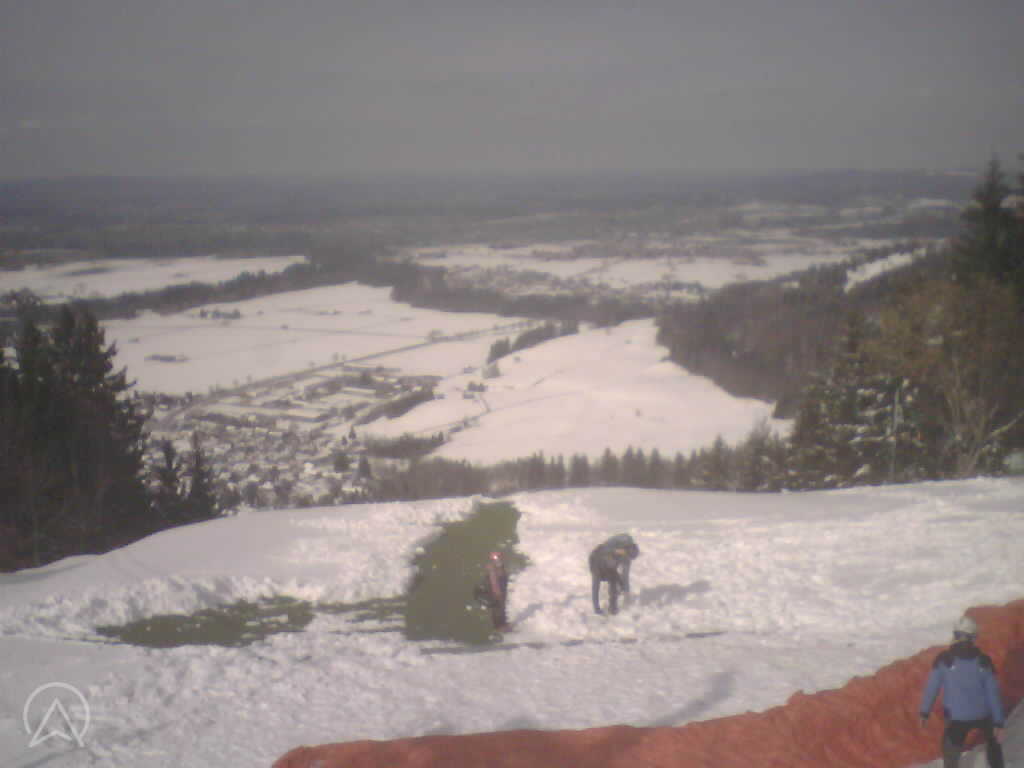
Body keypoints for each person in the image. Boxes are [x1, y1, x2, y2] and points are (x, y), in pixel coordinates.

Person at [919, 614, 1006, 768]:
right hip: (983, 715)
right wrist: (998, 722)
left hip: (955, 718)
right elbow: (993, 693)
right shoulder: (984, 661)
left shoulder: (944, 660)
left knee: (950, 750)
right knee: (994, 744)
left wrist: (924, 712)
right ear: (974, 637)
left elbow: (932, 688)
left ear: (955, 635)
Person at [588, 533, 640, 615]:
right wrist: (596, 608)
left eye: (628, 558)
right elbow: (595, 587)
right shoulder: (622, 540)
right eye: (626, 556)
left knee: (615, 582)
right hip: (597, 560)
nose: (626, 559)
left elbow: (625, 576)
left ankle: (613, 608)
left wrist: (626, 592)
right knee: (609, 579)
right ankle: (604, 607)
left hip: (610, 562)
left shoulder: (626, 556)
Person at [474, 550, 510, 631]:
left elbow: (502, 577)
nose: (498, 559)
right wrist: (497, 593)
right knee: (498, 608)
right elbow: (494, 581)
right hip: (496, 591)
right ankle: (500, 626)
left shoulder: (499, 566)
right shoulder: (492, 568)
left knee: (500, 607)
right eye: (496, 557)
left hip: (500, 589)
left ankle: (502, 624)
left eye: (499, 557)